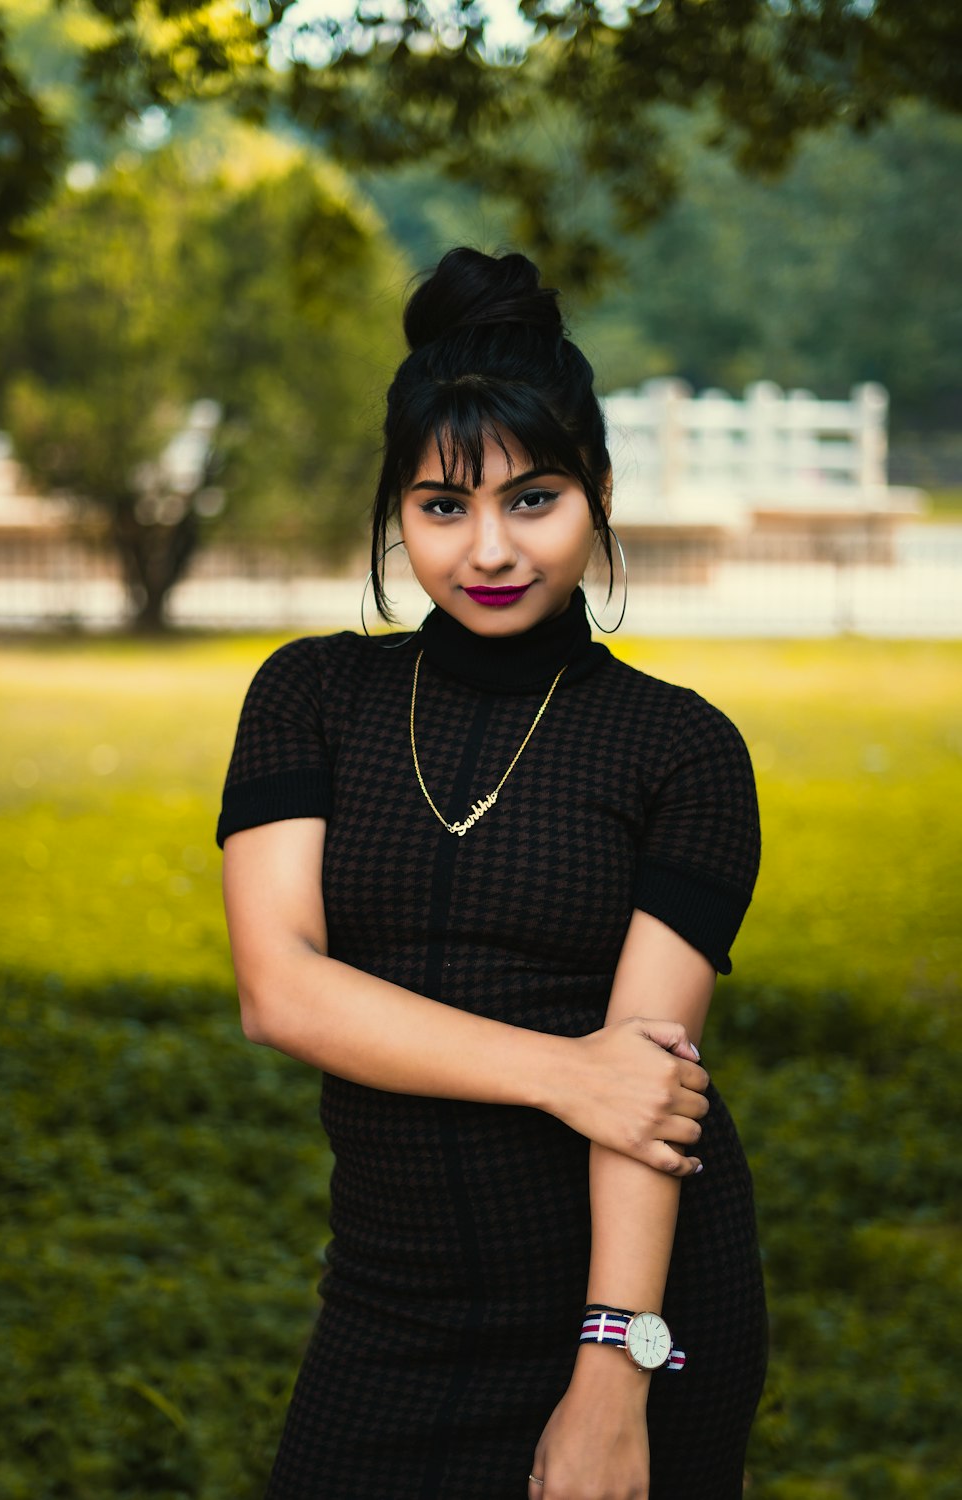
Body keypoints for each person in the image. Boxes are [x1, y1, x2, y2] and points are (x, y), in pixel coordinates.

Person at [216, 247, 767, 1500]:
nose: (487, 550)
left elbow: (652, 1093)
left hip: (622, 1306)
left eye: (533, 499)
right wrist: (566, 1073)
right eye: (441, 504)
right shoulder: (310, 697)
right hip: (389, 1299)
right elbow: (279, 991)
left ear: (599, 493)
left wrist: (609, 1377)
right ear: (395, 508)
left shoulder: (681, 749)